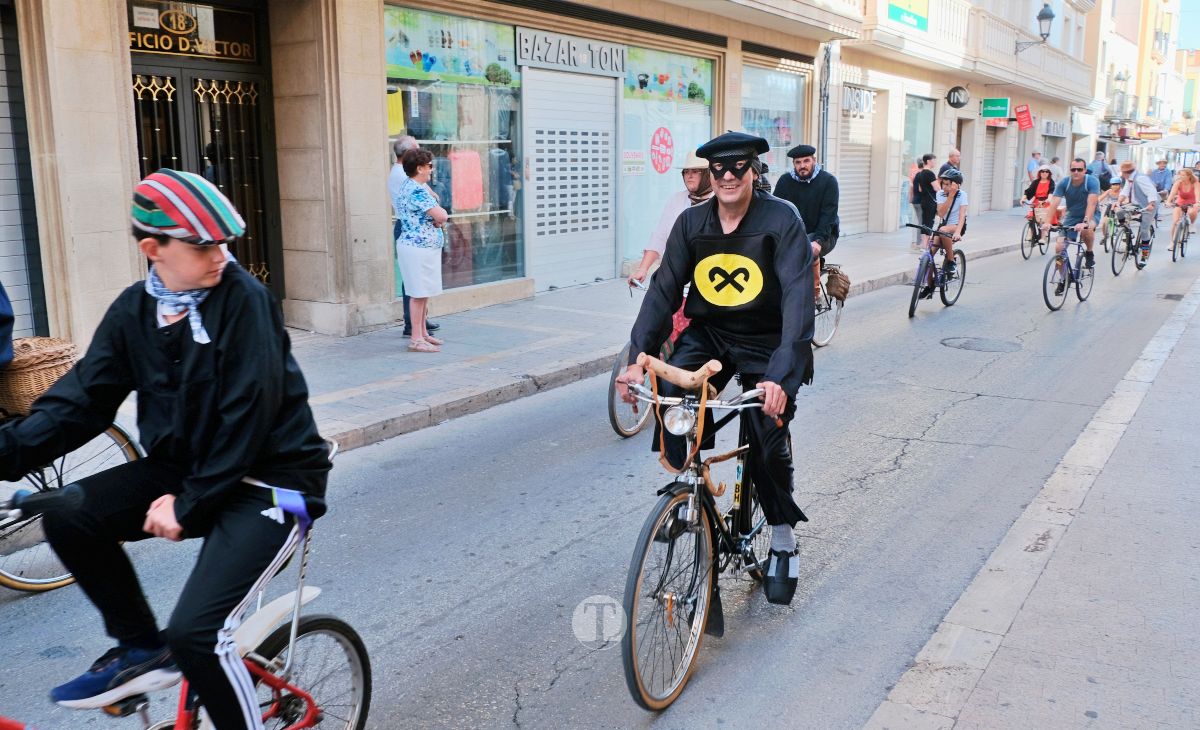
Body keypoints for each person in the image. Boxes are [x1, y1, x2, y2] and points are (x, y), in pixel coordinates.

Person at [0, 169, 332, 726]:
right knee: (63, 511)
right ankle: (140, 649)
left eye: (224, 242)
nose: (220, 255)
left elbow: (245, 417)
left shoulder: (245, 301)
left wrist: (190, 503)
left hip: (276, 485)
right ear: (153, 248)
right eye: (202, 245)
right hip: (185, 472)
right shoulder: (134, 311)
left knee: (197, 634)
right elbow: (79, 402)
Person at [617, 131, 814, 606]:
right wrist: (635, 362)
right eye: (718, 169)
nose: (727, 176)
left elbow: (796, 299)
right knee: (674, 407)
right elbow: (663, 292)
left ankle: (783, 536)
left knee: (767, 438)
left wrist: (781, 377)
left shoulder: (780, 219)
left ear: (754, 171)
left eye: (738, 167)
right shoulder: (691, 223)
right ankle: (689, 495)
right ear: (710, 174)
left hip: (768, 340)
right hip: (710, 335)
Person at [629, 151, 713, 285]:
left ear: (708, 174)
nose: (689, 176)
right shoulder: (677, 200)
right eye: (686, 172)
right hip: (674, 277)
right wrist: (643, 269)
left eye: (696, 171)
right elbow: (659, 236)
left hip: (707, 280)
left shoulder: (720, 201)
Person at [393, 148, 448, 352]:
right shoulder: (416, 190)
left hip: (420, 247)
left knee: (422, 292)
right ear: (419, 168)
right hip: (417, 248)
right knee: (417, 293)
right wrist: (439, 218)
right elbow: (441, 215)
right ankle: (416, 339)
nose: (431, 170)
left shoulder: (414, 186)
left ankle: (423, 333)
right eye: (429, 166)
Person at [772, 143, 839, 299]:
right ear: (794, 164)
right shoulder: (785, 181)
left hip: (824, 235)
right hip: (795, 234)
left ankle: (813, 293)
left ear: (814, 161)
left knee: (804, 247)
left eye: (806, 161)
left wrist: (819, 240)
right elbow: (776, 210)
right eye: (798, 162)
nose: (802, 166)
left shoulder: (828, 181)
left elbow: (828, 215)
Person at [1046, 158, 1100, 292]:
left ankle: (1089, 252)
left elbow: (1091, 203)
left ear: (1085, 170)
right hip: (1072, 216)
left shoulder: (1092, 181)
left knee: (1087, 230)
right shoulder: (1065, 182)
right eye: (1073, 169)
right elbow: (1054, 203)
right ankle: (1064, 277)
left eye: (1079, 169)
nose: (1076, 172)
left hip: (1091, 215)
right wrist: (1047, 222)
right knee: (1059, 248)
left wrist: (1085, 222)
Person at [920, 168, 968, 298]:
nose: (945, 187)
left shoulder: (962, 195)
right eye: (943, 184)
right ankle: (929, 287)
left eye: (948, 184)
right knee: (928, 256)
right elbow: (941, 213)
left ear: (956, 184)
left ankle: (951, 261)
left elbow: (962, 217)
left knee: (943, 230)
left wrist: (958, 232)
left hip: (958, 226)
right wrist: (950, 197)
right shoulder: (940, 194)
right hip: (943, 226)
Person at [1117, 160, 1160, 264]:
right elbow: (1125, 191)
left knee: (1144, 230)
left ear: (1126, 172)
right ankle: (1126, 230)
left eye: (1122, 172)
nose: (1121, 174)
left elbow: (1151, 192)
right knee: (1119, 212)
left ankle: (1144, 256)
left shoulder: (1140, 178)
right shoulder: (1129, 179)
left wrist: (1151, 204)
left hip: (1148, 205)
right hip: (1136, 203)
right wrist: (1118, 202)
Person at [1021, 165, 1058, 244]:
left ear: (1049, 173)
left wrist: (1048, 199)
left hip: (1046, 202)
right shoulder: (1036, 182)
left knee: (1044, 217)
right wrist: (1023, 199)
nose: (1044, 173)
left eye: (1046, 171)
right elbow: (1028, 191)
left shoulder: (1051, 182)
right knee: (1031, 217)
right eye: (1042, 171)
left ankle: (1043, 237)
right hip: (1036, 201)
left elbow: (1051, 192)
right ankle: (1031, 232)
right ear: (1039, 173)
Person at [911, 153, 939, 250]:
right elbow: (937, 188)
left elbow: (920, 189)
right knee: (929, 223)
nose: (935, 162)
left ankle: (923, 244)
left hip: (924, 201)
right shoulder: (930, 173)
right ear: (928, 161)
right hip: (931, 202)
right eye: (934, 160)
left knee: (924, 223)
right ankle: (925, 246)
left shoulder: (921, 173)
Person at [1165, 168, 1198, 248]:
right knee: (1175, 222)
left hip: (1192, 202)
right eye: (1180, 175)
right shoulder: (1178, 182)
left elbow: (1197, 194)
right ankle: (1172, 242)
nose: (1181, 177)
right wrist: (1168, 202)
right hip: (1181, 201)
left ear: (1189, 176)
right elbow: (1172, 193)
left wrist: (1197, 203)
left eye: (1183, 175)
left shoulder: (1195, 183)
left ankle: (1192, 224)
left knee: (1192, 212)